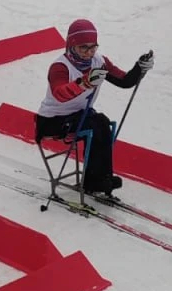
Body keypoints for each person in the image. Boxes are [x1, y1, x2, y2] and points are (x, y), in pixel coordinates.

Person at [35, 19, 153, 196]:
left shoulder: (99, 61)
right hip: (53, 120)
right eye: (83, 48)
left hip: (79, 115)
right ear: (71, 45)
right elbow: (60, 93)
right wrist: (84, 83)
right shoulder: (60, 67)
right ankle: (95, 180)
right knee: (95, 126)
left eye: (93, 47)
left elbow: (124, 81)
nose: (89, 53)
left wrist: (139, 69)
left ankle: (100, 178)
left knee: (102, 123)